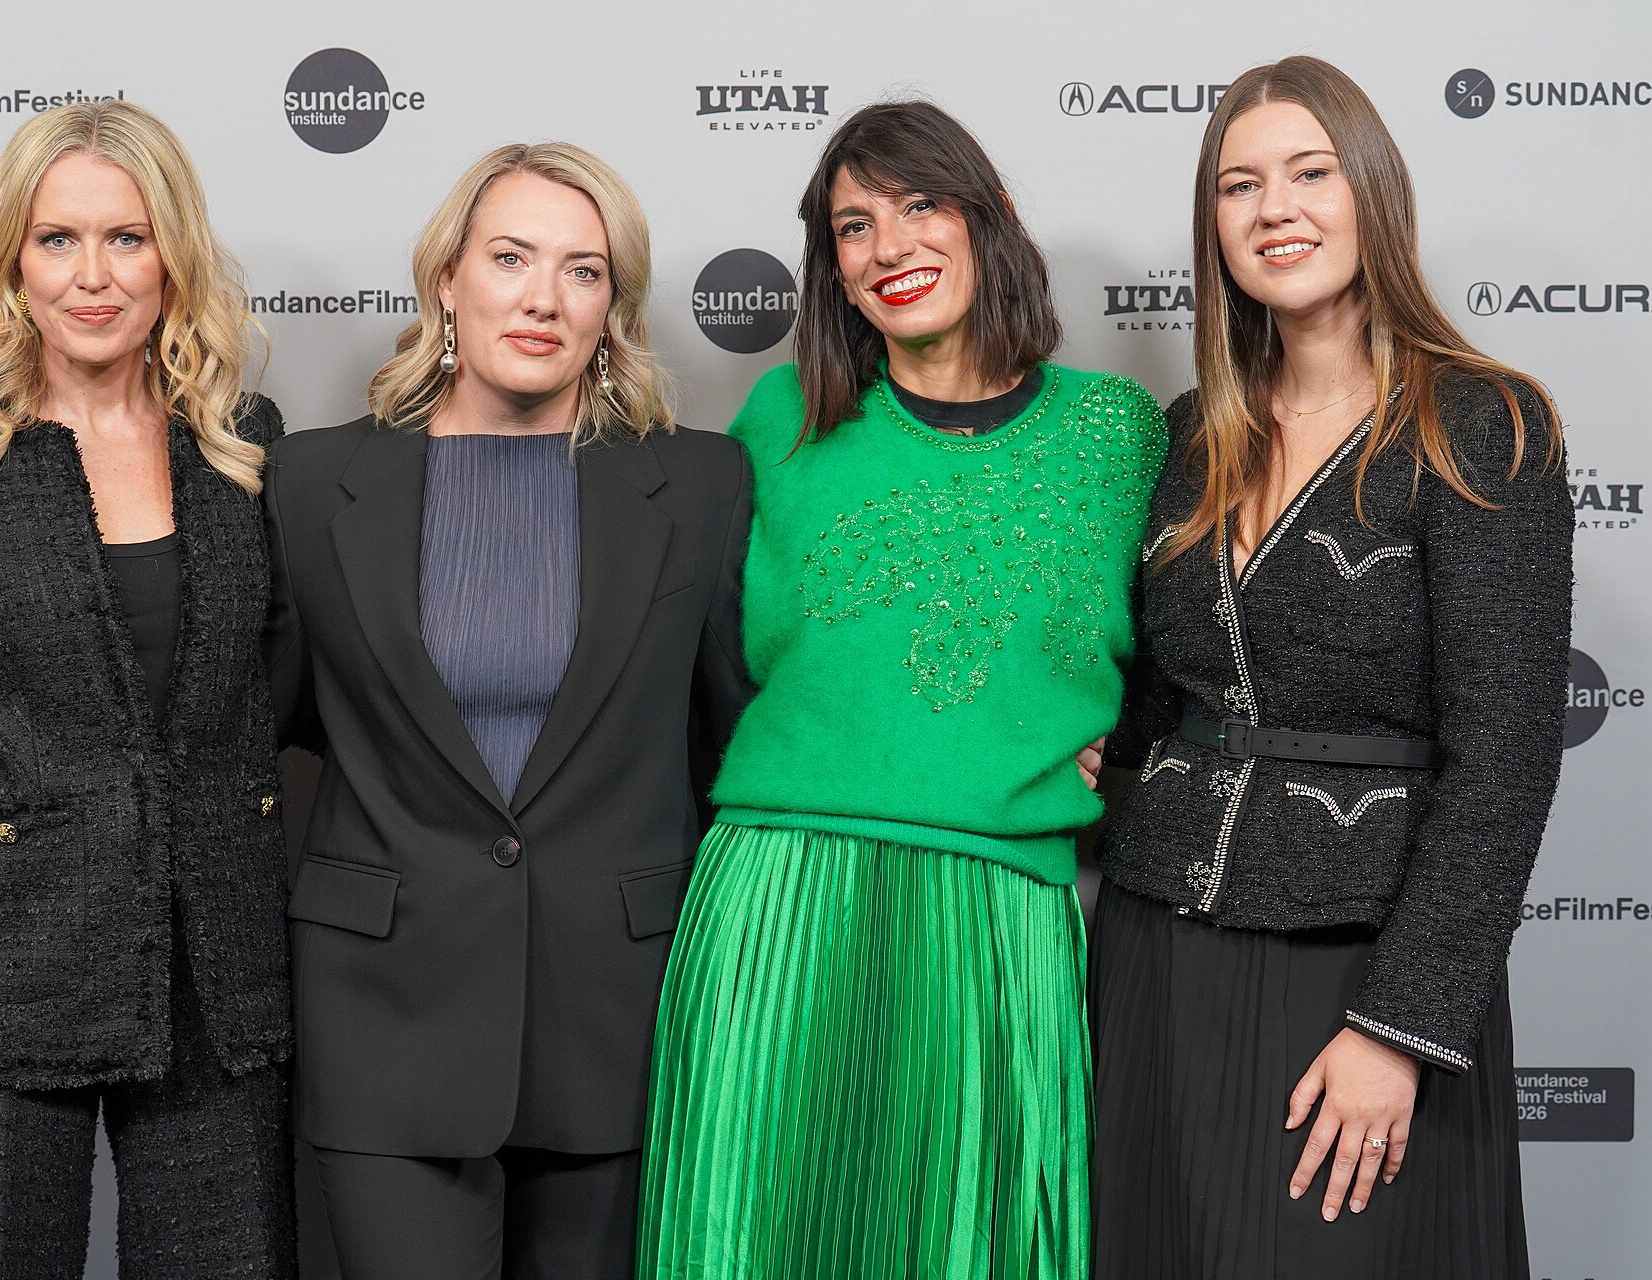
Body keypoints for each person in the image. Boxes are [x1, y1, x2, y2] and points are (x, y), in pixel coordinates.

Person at [639, 100, 1166, 1280]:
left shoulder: (1118, 435)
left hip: (997, 911)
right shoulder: (785, 417)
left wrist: (1118, 748)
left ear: (992, 219)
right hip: (780, 896)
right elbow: (706, 663)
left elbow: (1197, 642)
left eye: (921, 205)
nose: (891, 246)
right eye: (853, 225)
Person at [1091, 55, 1572, 1279]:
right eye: (1239, 185)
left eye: (1309, 172)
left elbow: (1507, 758)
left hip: (1360, 963)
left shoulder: (1482, 423)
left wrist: (1399, 1026)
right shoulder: (1193, 433)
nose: (1275, 210)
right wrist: (1095, 761)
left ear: (1372, 192)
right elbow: (1159, 700)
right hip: (1159, 951)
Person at [263, 142, 751, 1280]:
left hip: (622, 1012)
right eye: (512, 257)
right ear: (447, 278)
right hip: (384, 1008)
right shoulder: (308, 482)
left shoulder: (702, 482)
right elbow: (261, 724)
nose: (542, 296)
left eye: (582, 270)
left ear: (612, 305)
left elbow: (742, 731)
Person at [0, 101, 294, 1278]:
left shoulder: (243, 441)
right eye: (59, 240)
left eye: (127, 239)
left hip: (219, 992)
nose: (93, 276)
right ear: (11, 260)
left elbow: (275, 709)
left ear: (173, 257)